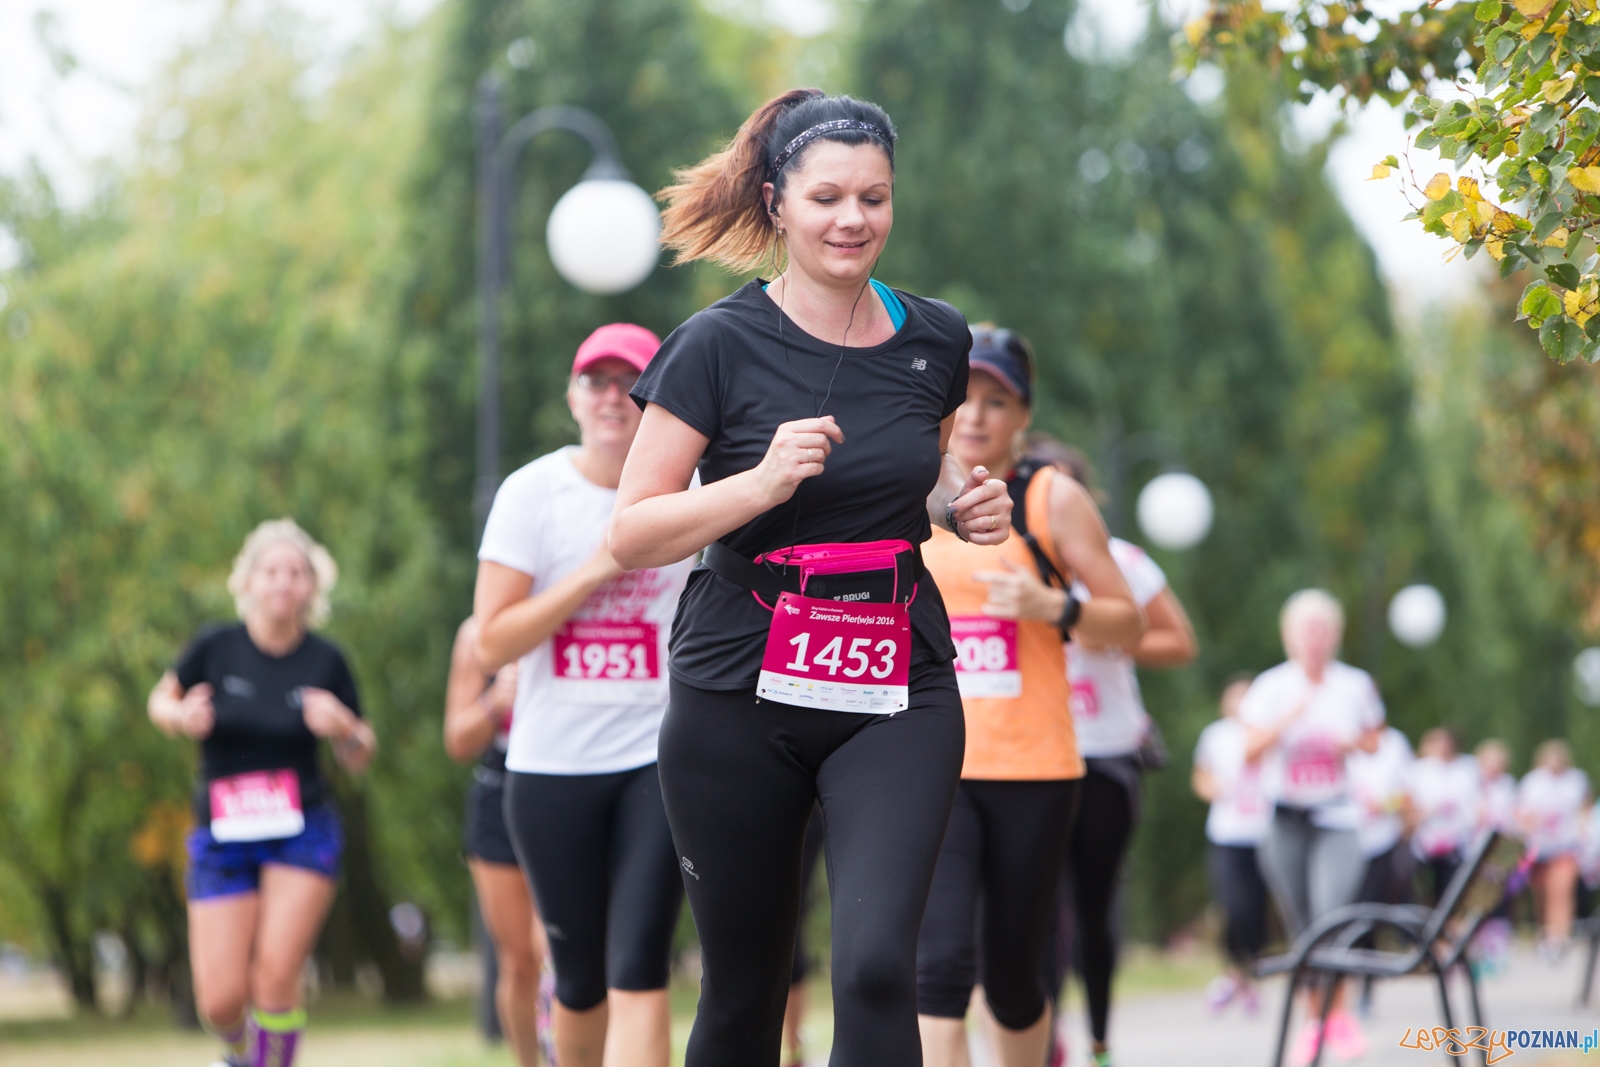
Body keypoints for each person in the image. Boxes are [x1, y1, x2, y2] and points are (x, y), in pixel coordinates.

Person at [612, 89, 1014, 1067]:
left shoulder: (936, 339)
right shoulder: (716, 344)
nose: (852, 220)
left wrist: (960, 504)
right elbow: (632, 531)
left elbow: (903, 478)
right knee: (747, 991)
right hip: (737, 686)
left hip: (896, 679)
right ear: (776, 200)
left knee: (879, 969)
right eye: (827, 196)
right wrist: (757, 482)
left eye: (873, 198)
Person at [915, 335, 1147, 1067]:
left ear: (1023, 414)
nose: (977, 415)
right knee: (937, 969)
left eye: (998, 400)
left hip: (1036, 770)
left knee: (1015, 978)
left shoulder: (1052, 497)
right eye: (964, 398)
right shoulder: (909, 490)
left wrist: (1053, 606)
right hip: (931, 763)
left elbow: (1131, 623)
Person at [474, 323, 695, 1067]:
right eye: (594, 381)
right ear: (572, 397)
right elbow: (491, 642)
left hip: (656, 760)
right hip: (550, 769)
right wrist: (600, 566)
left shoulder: (688, 490)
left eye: (628, 383)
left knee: (639, 962)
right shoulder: (533, 493)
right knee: (579, 978)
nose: (611, 397)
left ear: (656, 399)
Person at [147, 519, 376, 1067]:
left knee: (275, 976)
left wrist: (343, 725)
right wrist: (180, 716)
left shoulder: (327, 660)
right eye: (270, 571)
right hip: (223, 834)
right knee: (221, 1002)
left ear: (311, 586)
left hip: (303, 830)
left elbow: (362, 751)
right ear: (247, 581)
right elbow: (160, 700)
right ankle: (238, 1054)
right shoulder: (214, 646)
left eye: (296, 572)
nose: (282, 582)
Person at [1240, 589, 1384, 1066]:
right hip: (1286, 821)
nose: (1316, 639)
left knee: (1331, 916)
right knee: (1302, 928)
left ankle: (1338, 1018)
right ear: (1289, 636)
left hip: (1336, 818)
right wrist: (1288, 719)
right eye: (1307, 630)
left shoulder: (1355, 685)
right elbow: (1249, 751)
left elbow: (1374, 737)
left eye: (1324, 630)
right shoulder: (1271, 687)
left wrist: (1352, 745)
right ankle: (1313, 1023)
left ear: (1336, 636)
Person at [444, 619, 550, 1065]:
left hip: (564, 788)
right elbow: (457, 739)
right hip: (498, 794)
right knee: (520, 960)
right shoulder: (476, 634)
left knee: (558, 952)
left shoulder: (584, 610)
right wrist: (494, 703)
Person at [1192, 675, 1270, 1016]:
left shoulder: (1268, 732)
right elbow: (1201, 776)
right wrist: (1214, 789)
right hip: (1227, 833)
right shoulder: (1215, 735)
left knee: (1256, 911)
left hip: (1264, 834)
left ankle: (1245, 978)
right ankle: (1234, 974)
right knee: (1232, 908)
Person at [1516, 738, 1591, 958]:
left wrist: (1584, 834)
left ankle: (1558, 938)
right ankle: (1546, 933)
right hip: (1538, 848)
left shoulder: (1576, 780)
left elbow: (1585, 808)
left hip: (1566, 846)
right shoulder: (1533, 782)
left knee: (1561, 892)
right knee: (1541, 894)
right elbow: (1522, 813)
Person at [1405, 727, 1481, 904]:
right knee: (1421, 888)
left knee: (1452, 888)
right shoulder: (1417, 770)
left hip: (1457, 842)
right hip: (1422, 840)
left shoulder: (1466, 767)